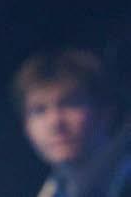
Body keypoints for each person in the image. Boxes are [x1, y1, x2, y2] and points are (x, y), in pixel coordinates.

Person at [13, 48, 130, 197]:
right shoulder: (55, 190)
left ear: (105, 112)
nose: (55, 122)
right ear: (26, 127)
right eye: (39, 110)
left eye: (70, 104)